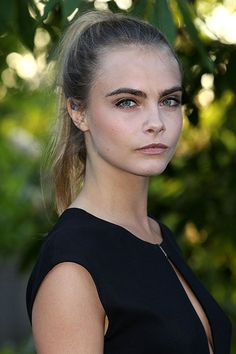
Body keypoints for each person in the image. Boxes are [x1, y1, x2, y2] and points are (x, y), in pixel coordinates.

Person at [26, 10, 232, 354]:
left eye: (169, 100)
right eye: (128, 102)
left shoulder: (157, 235)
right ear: (79, 111)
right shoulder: (72, 268)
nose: (156, 122)